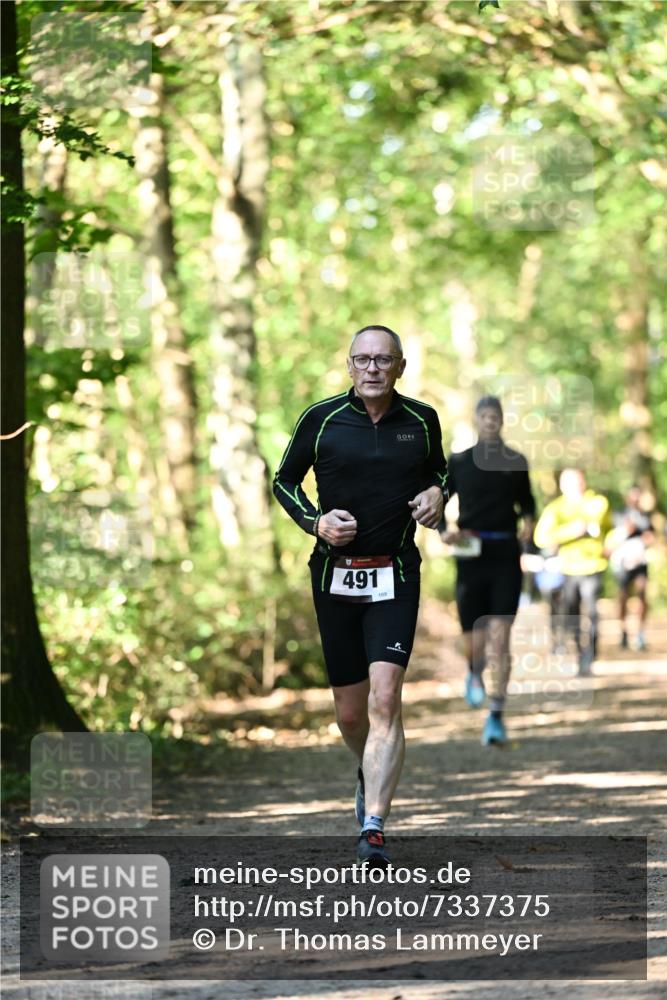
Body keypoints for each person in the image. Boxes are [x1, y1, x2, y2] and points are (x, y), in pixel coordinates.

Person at [273, 325, 448, 865]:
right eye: (363, 360)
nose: (373, 368)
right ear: (349, 366)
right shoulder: (320, 419)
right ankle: (368, 767)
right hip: (334, 575)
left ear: (400, 366)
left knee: (384, 699)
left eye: (383, 360)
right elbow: (283, 481)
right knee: (351, 715)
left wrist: (439, 493)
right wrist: (315, 522)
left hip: (395, 572)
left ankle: (374, 824)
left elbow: (439, 470)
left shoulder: (421, 420)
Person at [439, 396, 536, 746]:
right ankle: (473, 672)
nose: (490, 422)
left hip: (505, 554)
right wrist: (442, 531)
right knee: (475, 643)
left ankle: (496, 714)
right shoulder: (460, 461)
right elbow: (440, 502)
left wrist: (529, 522)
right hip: (469, 554)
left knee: (501, 636)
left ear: (502, 420)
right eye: (485, 416)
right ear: (477, 420)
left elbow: (527, 502)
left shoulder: (516, 460)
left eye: (495, 416)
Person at [534, 469, 612, 674]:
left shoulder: (597, 502)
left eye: (578, 481)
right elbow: (541, 538)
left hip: (594, 565)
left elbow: (608, 528)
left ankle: (591, 652)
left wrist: (610, 545)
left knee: (592, 609)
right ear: (562, 485)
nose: (575, 485)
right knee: (572, 612)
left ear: (584, 482)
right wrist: (572, 531)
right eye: (569, 482)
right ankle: (579, 651)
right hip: (567, 568)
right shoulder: (555, 508)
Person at [605, 486, 654, 651]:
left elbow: (650, 536)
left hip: (640, 562)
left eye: (638, 497)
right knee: (623, 596)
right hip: (623, 562)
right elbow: (614, 537)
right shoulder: (618, 514)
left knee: (642, 594)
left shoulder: (645, 517)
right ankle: (623, 631)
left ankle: (640, 633)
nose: (635, 500)